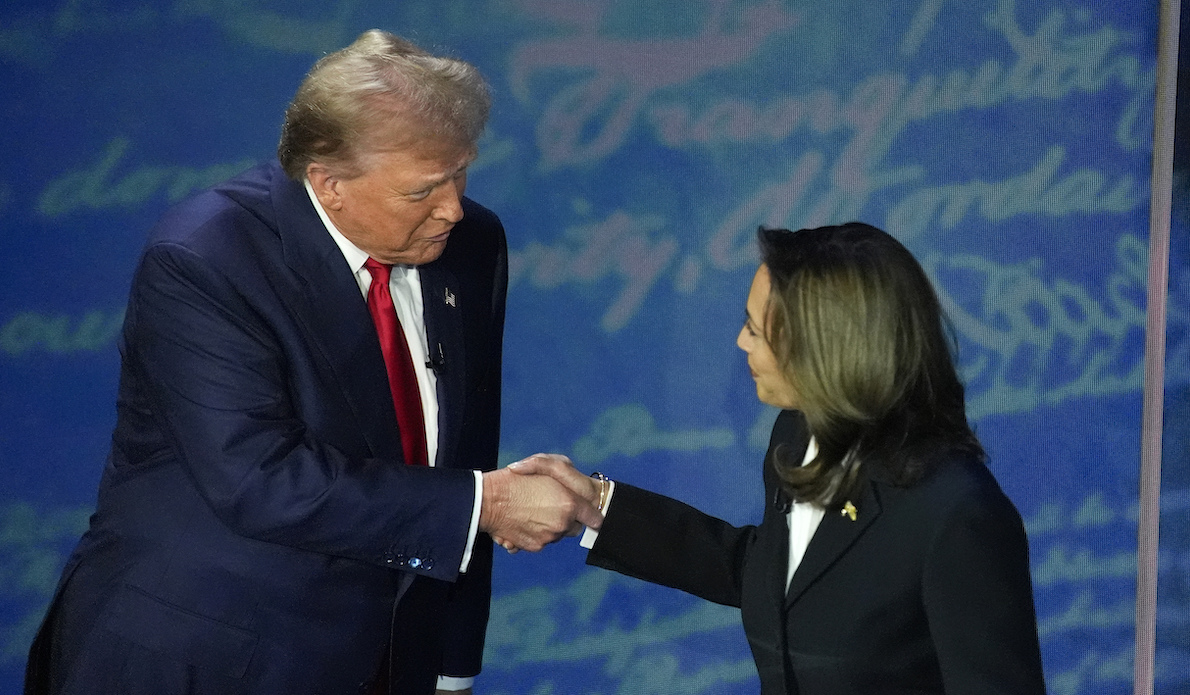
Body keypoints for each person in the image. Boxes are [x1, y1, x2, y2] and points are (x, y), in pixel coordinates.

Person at [24, 30, 600, 695]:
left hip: (381, 664)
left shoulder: (472, 244)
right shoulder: (207, 259)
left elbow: (463, 447)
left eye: (460, 173)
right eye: (423, 190)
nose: (452, 206)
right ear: (328, 184)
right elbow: (259, 477)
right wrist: (490, 502)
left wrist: (449, 662)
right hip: (204, 656)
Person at [509, 223, 1048, 694]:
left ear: (827, 349)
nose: (742, 342)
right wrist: (599, 506)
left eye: (756, 329)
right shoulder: (795, 434)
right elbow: (776, 578)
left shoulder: (957, 514)